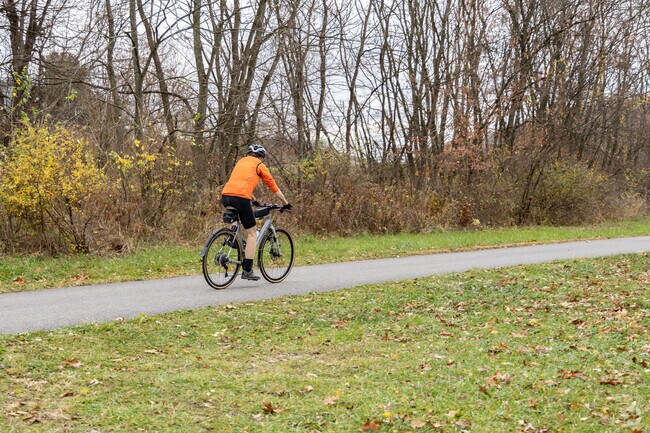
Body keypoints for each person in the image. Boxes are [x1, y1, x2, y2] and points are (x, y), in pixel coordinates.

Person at [221, 144, 291, 281]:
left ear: (248, 154)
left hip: (226, 196)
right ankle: (247, 270)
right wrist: (285, 202)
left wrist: (253, 200)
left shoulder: (240, 162)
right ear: (261, 157)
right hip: (241, 198)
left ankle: (233, 237)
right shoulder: (259, 165)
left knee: (238, 220)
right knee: (252, 233)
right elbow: (272, 185)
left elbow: (239, 183)